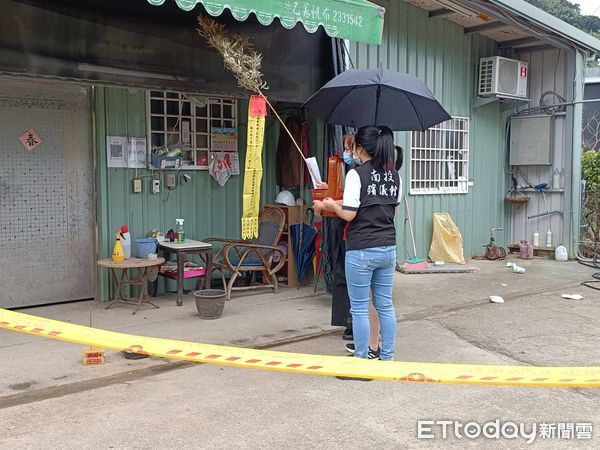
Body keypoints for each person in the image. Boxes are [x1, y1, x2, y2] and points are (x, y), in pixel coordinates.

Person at [322, 125, 401, 360]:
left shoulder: (356, 174)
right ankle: (387, 357)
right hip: (388, 247)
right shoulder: (394, 174)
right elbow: (390, 210)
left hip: (362, 249)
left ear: (361, 148)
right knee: (385, 305)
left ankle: (361, 359)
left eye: (354, 147)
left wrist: (330, 205)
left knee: (359, 309)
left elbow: (349, 214)